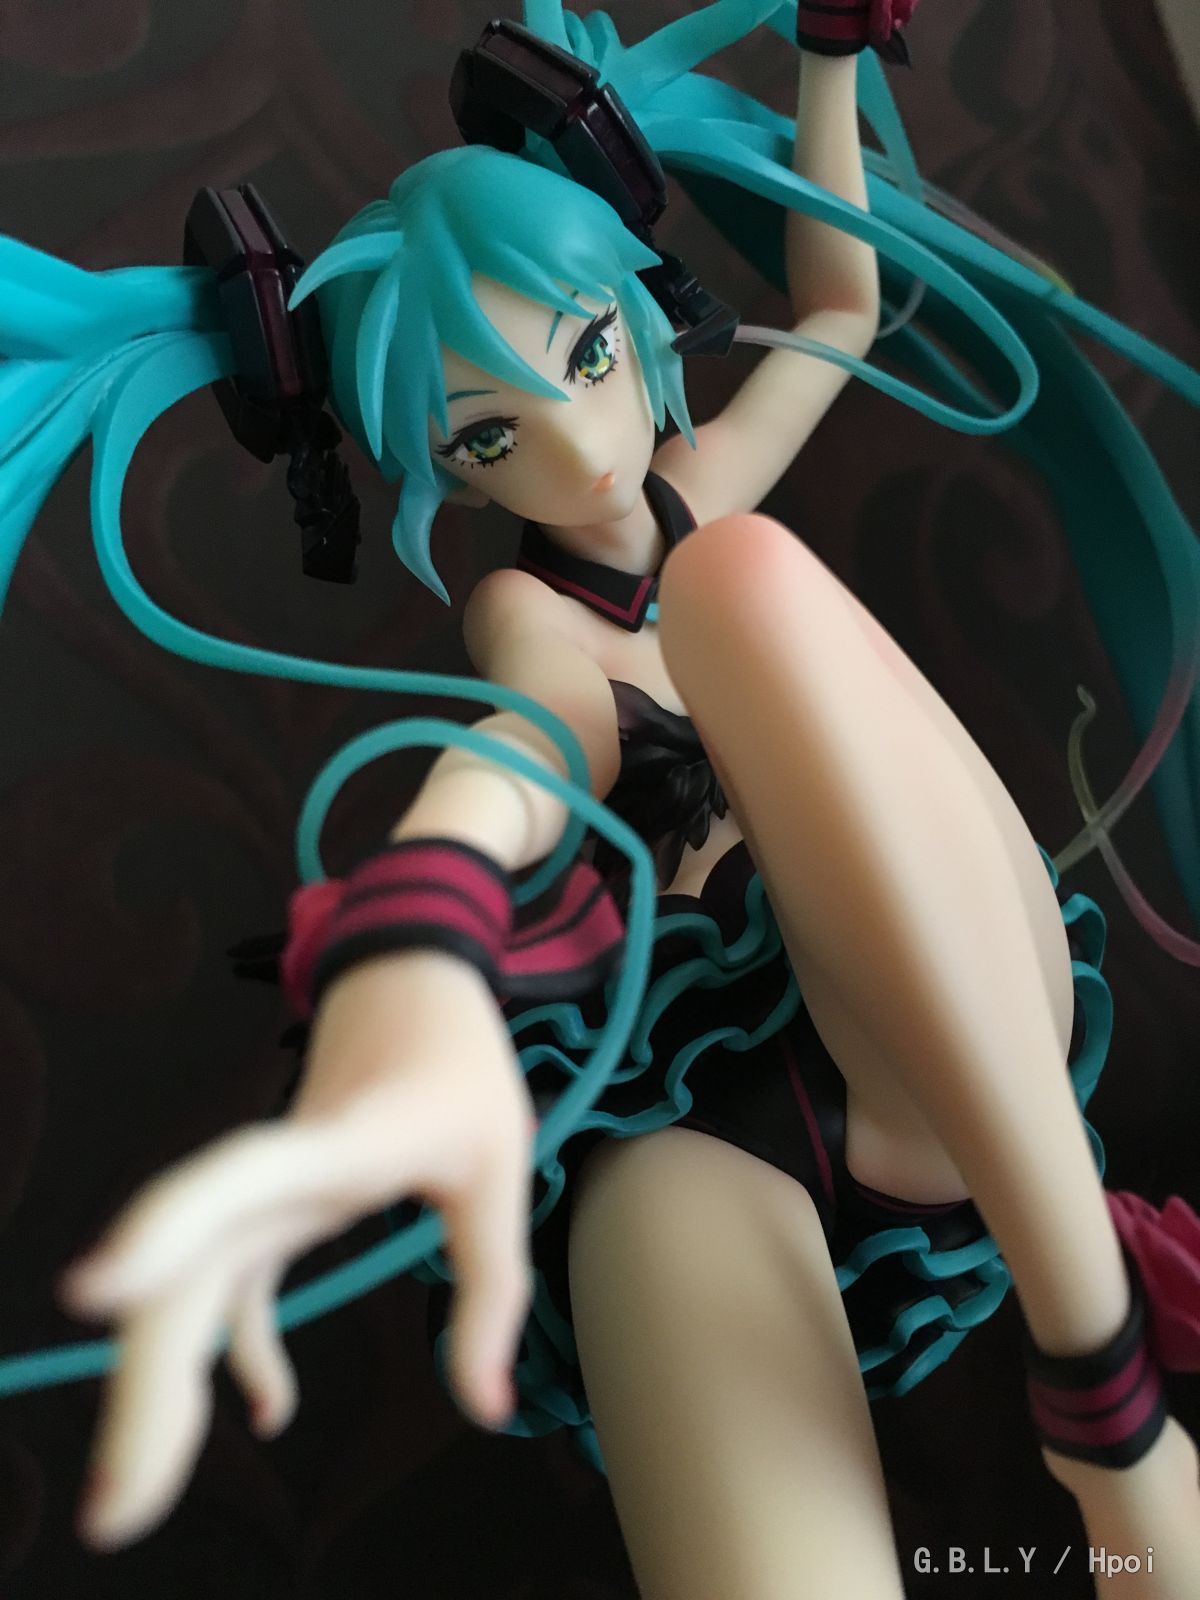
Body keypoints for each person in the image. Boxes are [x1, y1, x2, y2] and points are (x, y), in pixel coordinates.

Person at [2, 3, 1198, 1594]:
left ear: (638, 315)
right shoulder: (530, 612)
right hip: (689, 1113)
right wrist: (418, 930)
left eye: (585, 352)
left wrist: (829, 56)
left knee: (742, 582)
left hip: (917, 1006)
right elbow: (530, 748)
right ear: (447, 474)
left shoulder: (709, 514)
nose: (574, 449)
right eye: (491, 434)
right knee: (658, 1265)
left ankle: (1110, 1411)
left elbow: (840, 307)